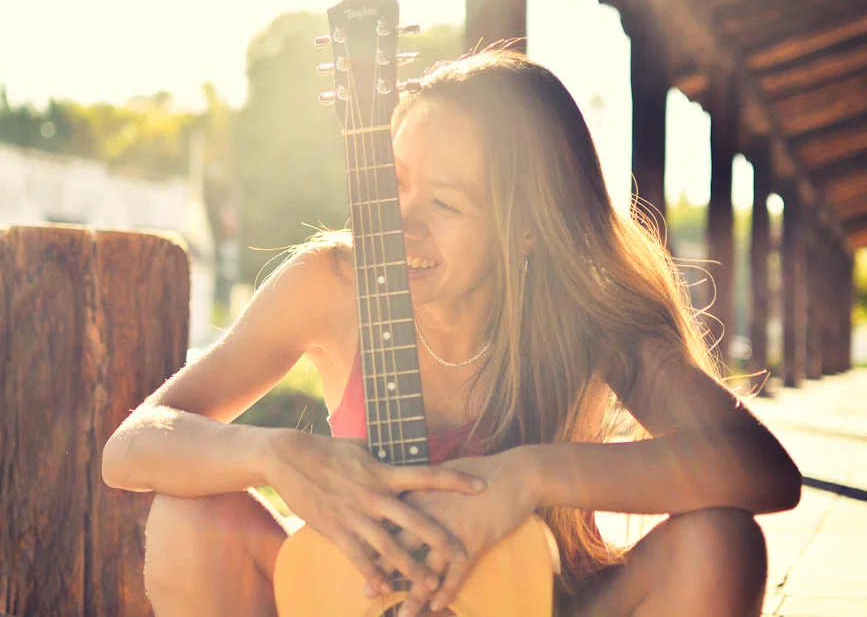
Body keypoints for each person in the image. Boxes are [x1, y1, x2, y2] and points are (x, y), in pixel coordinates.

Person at [102, 49, 801, 617]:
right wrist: (275, 455)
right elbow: (132, 447)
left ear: (526, 229)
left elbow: (763, 469)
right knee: (188, 521)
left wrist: (527, 476)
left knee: (723, 542)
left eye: (444, 202)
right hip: (361, 601)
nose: (402, 223)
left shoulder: (583, 313)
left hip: (531, 603)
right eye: (395, 184)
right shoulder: (333, 283)